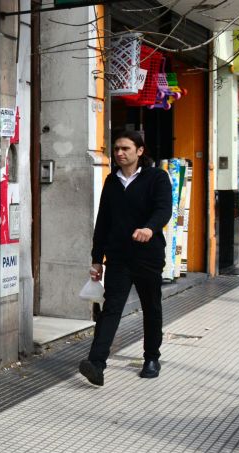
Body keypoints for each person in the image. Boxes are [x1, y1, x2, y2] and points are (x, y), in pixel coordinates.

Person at [79, 130, 172, 386]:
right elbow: (103, 222)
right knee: (110, 310)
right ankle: (96, 364)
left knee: (151, 307)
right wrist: (96, 259)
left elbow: (164, 209)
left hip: (148, 256)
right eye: (117, 149)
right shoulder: (112, 181)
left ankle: (151, 358)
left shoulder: (157, 178)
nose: (119, 153)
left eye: (125, 148)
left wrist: (149, 228)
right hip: (118, 258)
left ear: (139, 151)